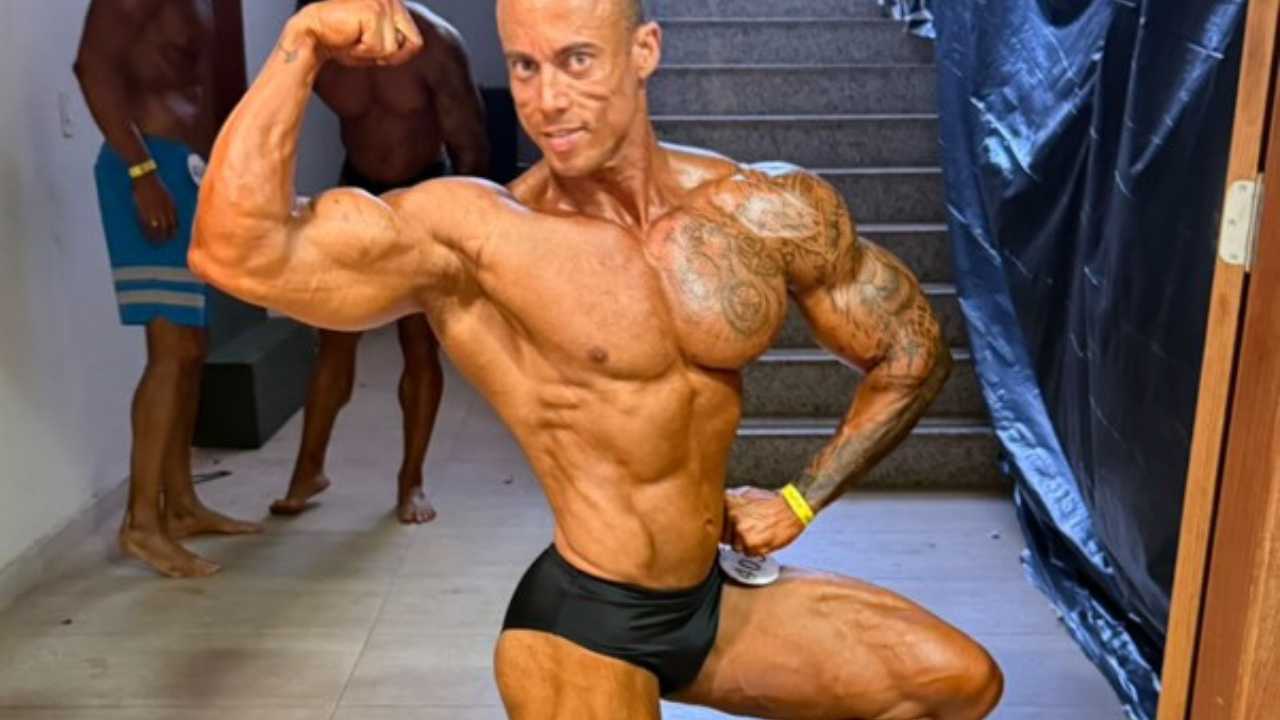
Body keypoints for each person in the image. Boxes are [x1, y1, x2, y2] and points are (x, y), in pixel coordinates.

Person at [190, 0, 1005, 717]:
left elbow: (910, 351)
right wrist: (303, 43)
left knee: (956, 685)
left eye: (576, 61)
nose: (547, 99)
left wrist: (800, 499)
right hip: (585, 619)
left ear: (643, 51)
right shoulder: (474, 238)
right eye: (524, 66)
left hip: (711, 600)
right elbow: (235, 252)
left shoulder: (755, 207)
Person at [271, 1, 490, 524]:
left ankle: (411, 481)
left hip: (422, 196)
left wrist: (461, 239)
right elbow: (275, 124)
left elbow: (472, 147)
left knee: (418, 345)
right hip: (355, 193)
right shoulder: (320, 39)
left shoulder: (435, 44)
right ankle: (308, 470)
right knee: (334, 339)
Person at [74, 0, 261, 580]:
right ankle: (141, 523)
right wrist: (142, 172)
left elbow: (194, 87)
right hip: (144, 170)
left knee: (192, 349)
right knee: (171, 350)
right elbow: (91, 67)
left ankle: (180, 505)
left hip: (184, 170)